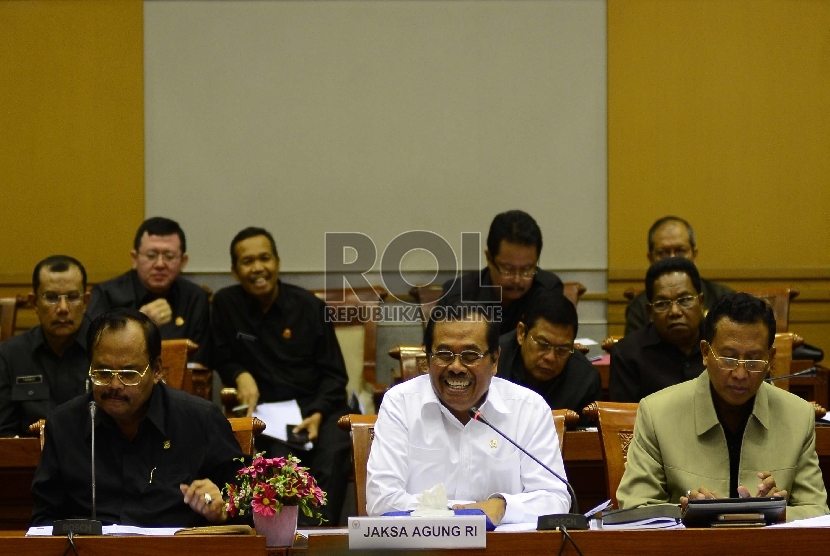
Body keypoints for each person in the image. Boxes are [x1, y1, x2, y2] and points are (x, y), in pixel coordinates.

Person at [616, 293, 829, 521]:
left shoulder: (798, 415)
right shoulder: (657, 413)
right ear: (706, 353)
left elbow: (818, 511)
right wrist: (688, 513)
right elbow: (634, 507)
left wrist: (775, 511)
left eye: (754, 361)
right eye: (728, 359)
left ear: (770, 359)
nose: (740, 374)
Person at [31, 308, 243, 526]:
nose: (114, 385)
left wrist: (220, 510)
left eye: (129, 374)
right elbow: (43, 521)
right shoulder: (64, 424)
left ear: (157, 370)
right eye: (103, 372)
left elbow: (246, 505)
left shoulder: (201, 420)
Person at [365, 303, 570, 525]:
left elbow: (555, 498)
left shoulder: (529, 408)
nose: (456, 367)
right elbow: (381, 502)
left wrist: (501, 506)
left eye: (470, 355)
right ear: (427, 360)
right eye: (444, 354)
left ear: (495, 361)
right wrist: (469, 514)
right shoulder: (401, 404)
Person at [212, 227, 351, 525]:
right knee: (277, 456)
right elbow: (221, 353)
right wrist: (240, 374)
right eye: (248, 262)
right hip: (270, 413)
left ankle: (319, 538)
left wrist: (317, 413)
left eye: (265, 258)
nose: (258, 268)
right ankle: (281, 539)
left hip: (319, 407)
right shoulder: (226, 305)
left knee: (333, 453)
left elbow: (335, 375)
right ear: (235, 272)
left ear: (278, 262)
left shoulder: (310, 307)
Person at [87, 217, 211, 365]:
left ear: (183, 261)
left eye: (169, 256)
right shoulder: (106, 294)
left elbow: (201, 360)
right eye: (151, 256)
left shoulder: (195, 298)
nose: (159, 264)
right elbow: (93, 351)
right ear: (135, 258)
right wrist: (140, 324)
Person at [0, 255, 92, 437]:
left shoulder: (106, 350)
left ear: (85, 302)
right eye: (51, 297)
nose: (63, 308)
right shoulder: (10, 354)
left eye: (73, 297)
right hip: (31, 460)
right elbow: (4, 434)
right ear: (34, 302)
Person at [440, 210, 563, 335]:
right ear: (489, 258)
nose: (517, 279)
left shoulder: (548, 290)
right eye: (508, 269)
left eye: (526, 269)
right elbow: (435, 351)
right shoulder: (458, 295)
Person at [610, 257, 706, 402]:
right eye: (663, 303)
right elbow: (624, 419)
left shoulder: (723, 345)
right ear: (650, 312)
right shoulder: (628, 355)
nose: (675, 311)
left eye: (684, 300)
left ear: (701, 302)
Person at [496, 292, 600, 421]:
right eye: (543, 344)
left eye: (562, 349)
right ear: (521, 333)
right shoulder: (492, 361)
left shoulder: (585, 380)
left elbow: (585, 438)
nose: (551, 357)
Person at [624, 216, 733, 336]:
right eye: (663, 252)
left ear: (694, 254)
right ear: (651, 259)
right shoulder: (639, 307)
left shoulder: (723, 297)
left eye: (680, 250)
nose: (673, 258)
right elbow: (633, 351)